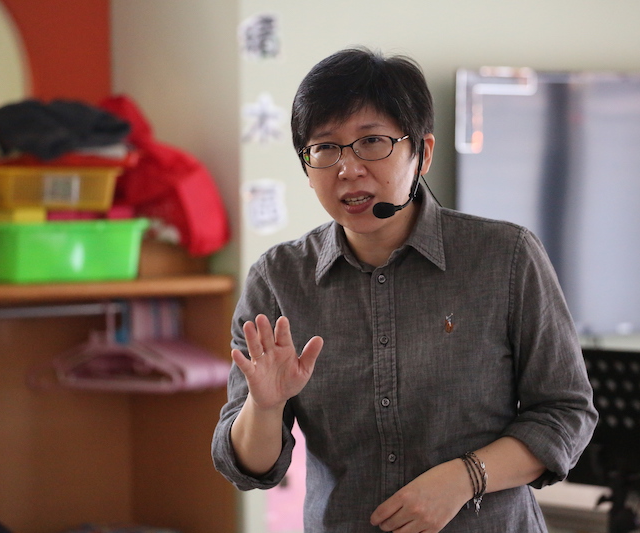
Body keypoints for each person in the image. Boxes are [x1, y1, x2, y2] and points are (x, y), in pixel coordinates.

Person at [212, 47, 597, 532]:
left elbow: (565, 412)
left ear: (423, 153)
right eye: (325, 148)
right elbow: (248, 466)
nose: (348, 168)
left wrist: (465, 478)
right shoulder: (278, 279)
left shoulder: (506, 256)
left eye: (372, 141)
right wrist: (264, 407)